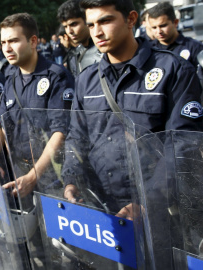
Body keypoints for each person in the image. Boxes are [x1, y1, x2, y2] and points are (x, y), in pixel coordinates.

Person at [62, 0, 203, 218]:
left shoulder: (172, 70)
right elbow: (76, 136)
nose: (97, 32)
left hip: (158, 210)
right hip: (102, 206)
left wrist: (149, 201)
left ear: (131, 19)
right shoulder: (86, 80)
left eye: (105, 21)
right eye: (91, 25)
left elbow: (182, 143)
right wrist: (71, 179)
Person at [0, 12, 74, 198]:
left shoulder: (57, 77)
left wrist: (33, 176)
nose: (7, 48)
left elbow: (60, 132)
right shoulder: (11, 81)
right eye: (3, 42)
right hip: (19, 175)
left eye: (13, 41)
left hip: (53, 180)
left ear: (33, 41)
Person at [147, 2, 203, 74]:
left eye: (163, 26)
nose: (159, 31)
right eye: (154, 27)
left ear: (175, 22)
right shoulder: (149, 50)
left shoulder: (194, 47)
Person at [57, 0, 102, 76]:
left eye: (74, 24)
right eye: (65, 26)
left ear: (87, 20)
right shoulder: (72, 56)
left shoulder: (104, 51)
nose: (69, 31)